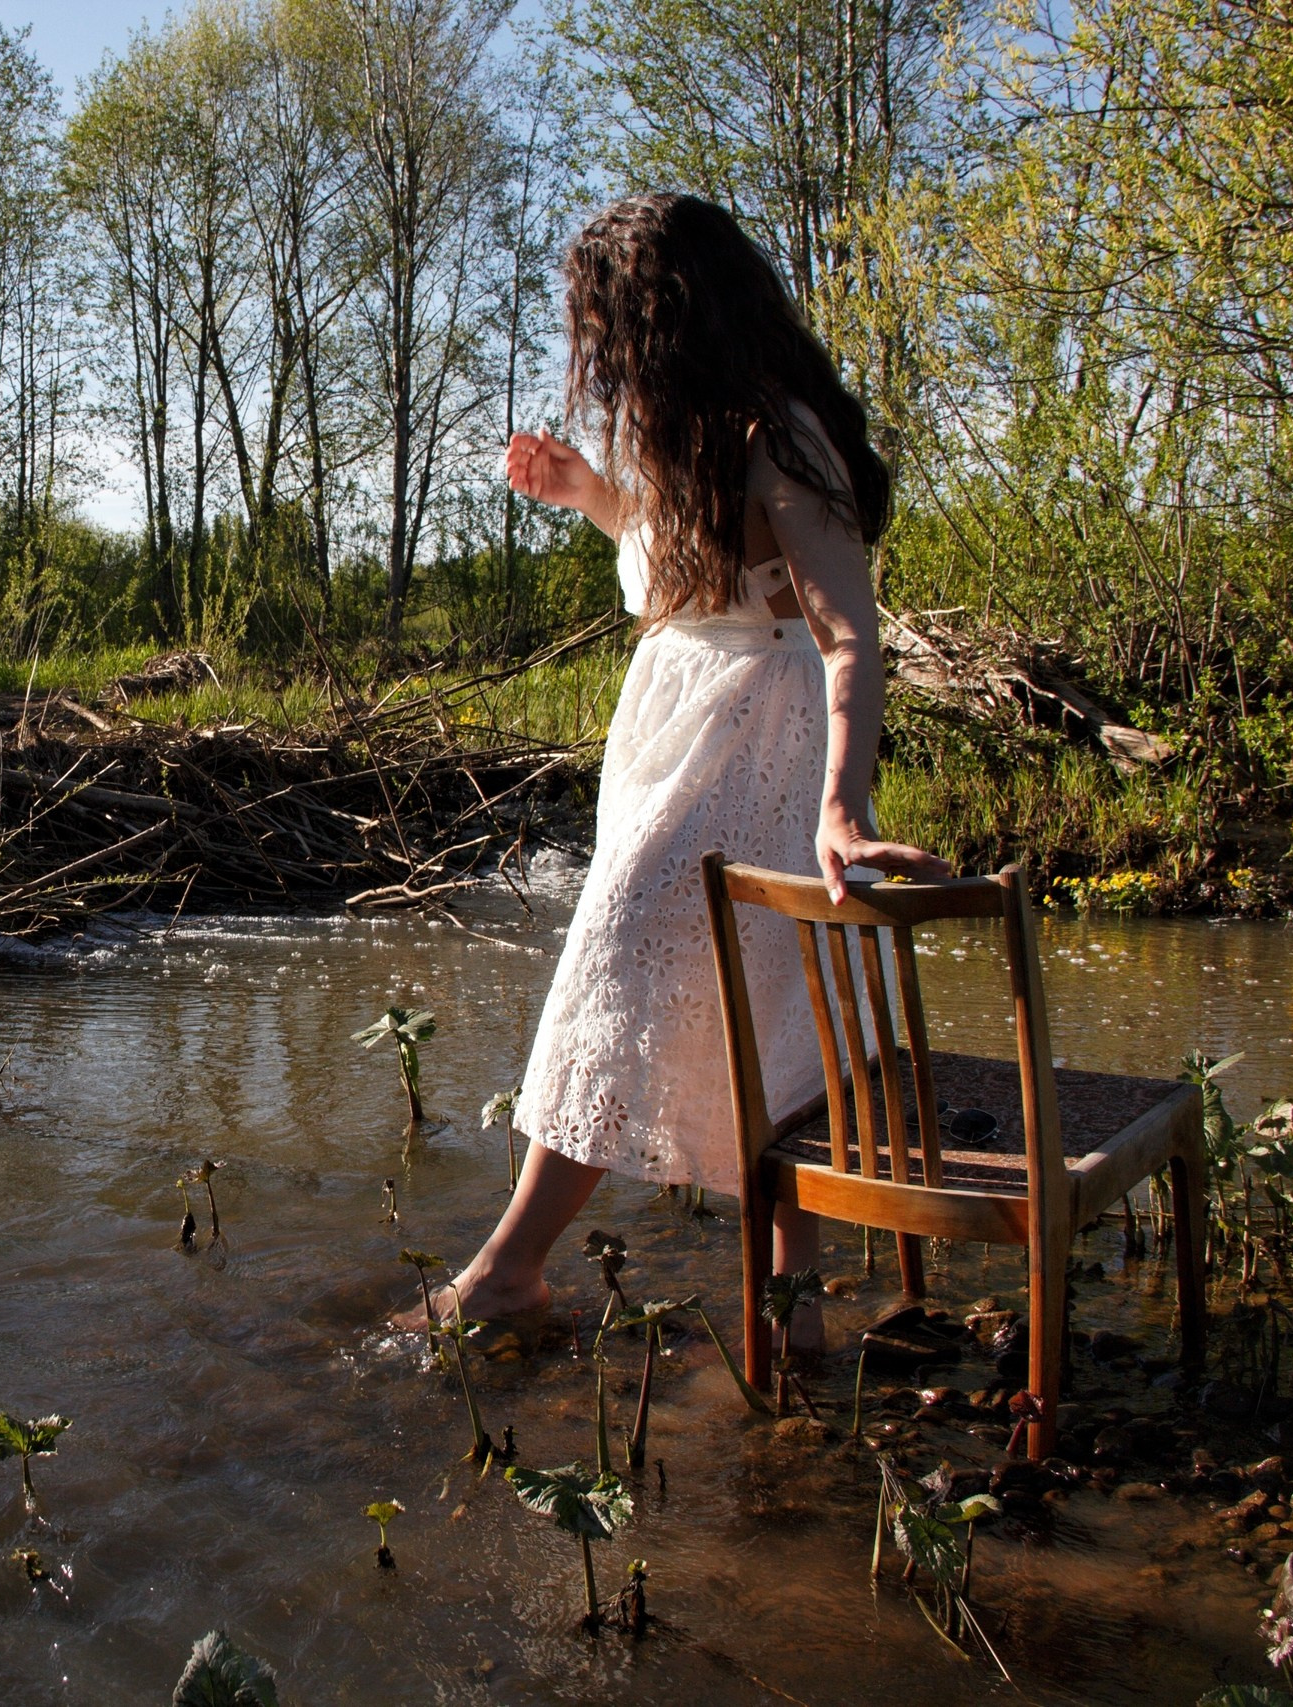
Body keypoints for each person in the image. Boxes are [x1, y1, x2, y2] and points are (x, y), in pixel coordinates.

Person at [398, 193, 950, 1346]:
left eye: (601, 324)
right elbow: (687, 563)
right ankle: (786, 1314)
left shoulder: (781, 431)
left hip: (759, 746)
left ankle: (509, 1269)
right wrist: (587, 495)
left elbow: (846, 627)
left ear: (662, 319)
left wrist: (840, 808)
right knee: (756, 996)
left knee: (629, 952)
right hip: (677, 741)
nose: (589, 353)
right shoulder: (690, 435)